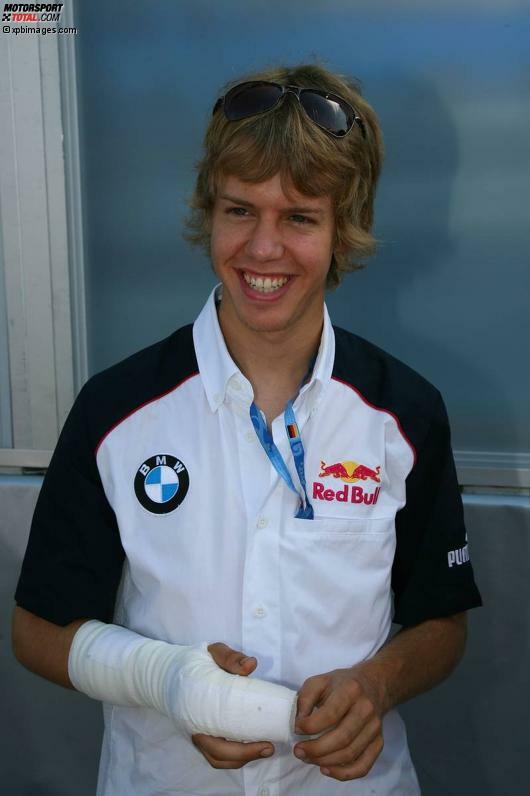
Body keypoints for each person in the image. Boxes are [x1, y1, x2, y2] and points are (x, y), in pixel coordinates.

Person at [12, 63, 482, 795]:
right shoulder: (117, 411)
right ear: (210, 210)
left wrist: (377, 685)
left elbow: (441, 622)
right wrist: (168, 681)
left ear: (341, 228)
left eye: (298, 217)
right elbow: (37, 630)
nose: (262, 250)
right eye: (240, 211)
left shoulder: (405, 414)